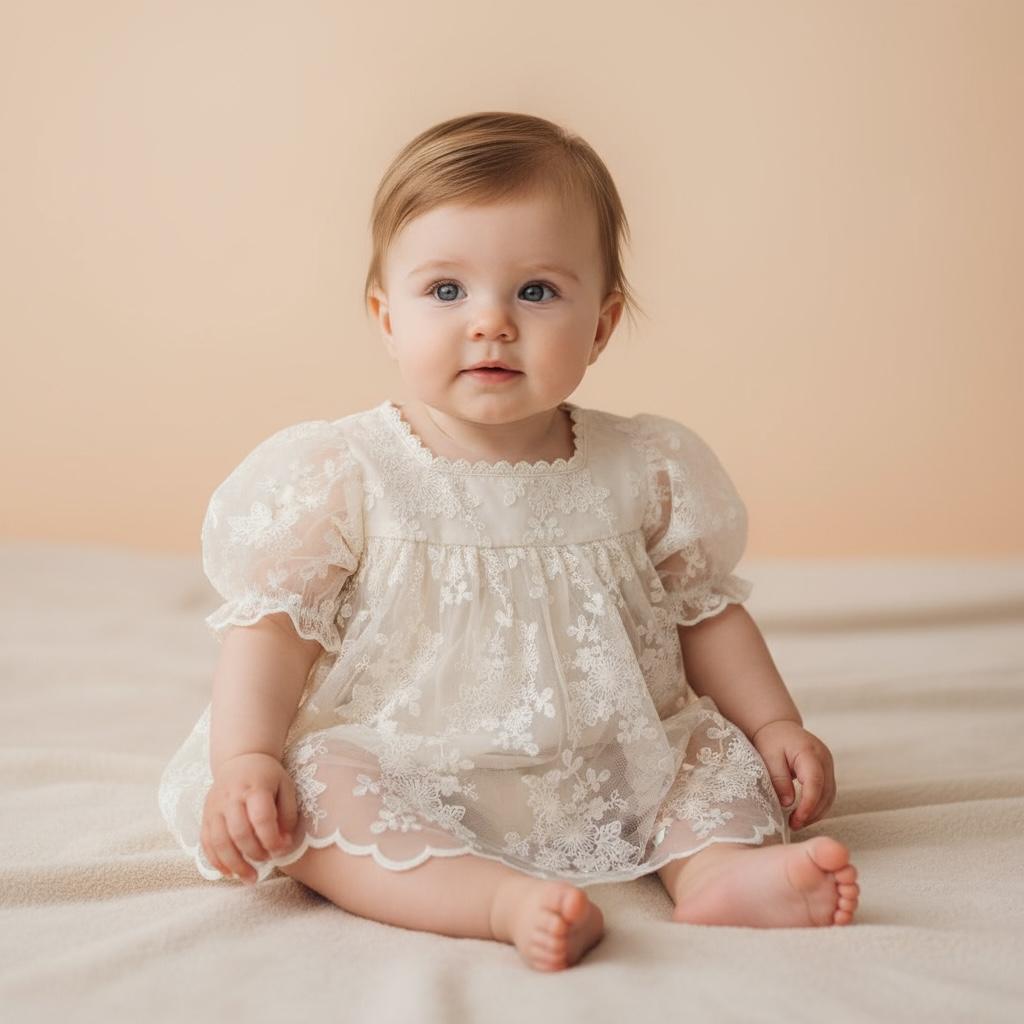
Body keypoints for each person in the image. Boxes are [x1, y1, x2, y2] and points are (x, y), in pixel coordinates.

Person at [158, 111, 860, 971]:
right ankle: (494, 899)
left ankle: (718, 870)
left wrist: (775, 722)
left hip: (610, 756)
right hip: (406, 754)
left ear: (601, 326)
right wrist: (246, 758)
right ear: (387, 316)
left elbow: (704, 613)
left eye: (536, 292)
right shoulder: (347, 472)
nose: (490, 322)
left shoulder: (644, 467)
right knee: (313, 789)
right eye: (446, 291)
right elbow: (273, 629)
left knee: (714, 752)